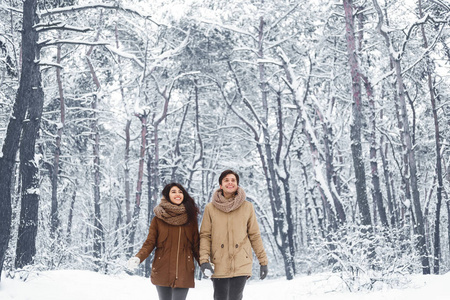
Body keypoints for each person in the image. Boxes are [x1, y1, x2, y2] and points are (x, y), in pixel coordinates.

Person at [199, 169, 269, 300]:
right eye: (226, 180)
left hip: (241, 260)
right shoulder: (210, 208)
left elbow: (254, 235)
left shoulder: (247, 207)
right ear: (220, 185)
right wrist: (204, 261)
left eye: (233, 180)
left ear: (237, 184)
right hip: (219, 261)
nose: (230, 183)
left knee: (235, 297)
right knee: (219, 297)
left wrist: (263, 262)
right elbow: (205, 235)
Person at [127, 183, 200, 300]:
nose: (178, 194)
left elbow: (196, 246)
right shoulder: (158, 219)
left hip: (184, 270)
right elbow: (150, 242)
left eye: (180, 192)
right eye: (174, 192)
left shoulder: (191, 219)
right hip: (162, 268)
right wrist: (138, 257)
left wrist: (205, 263)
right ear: (167, 195)